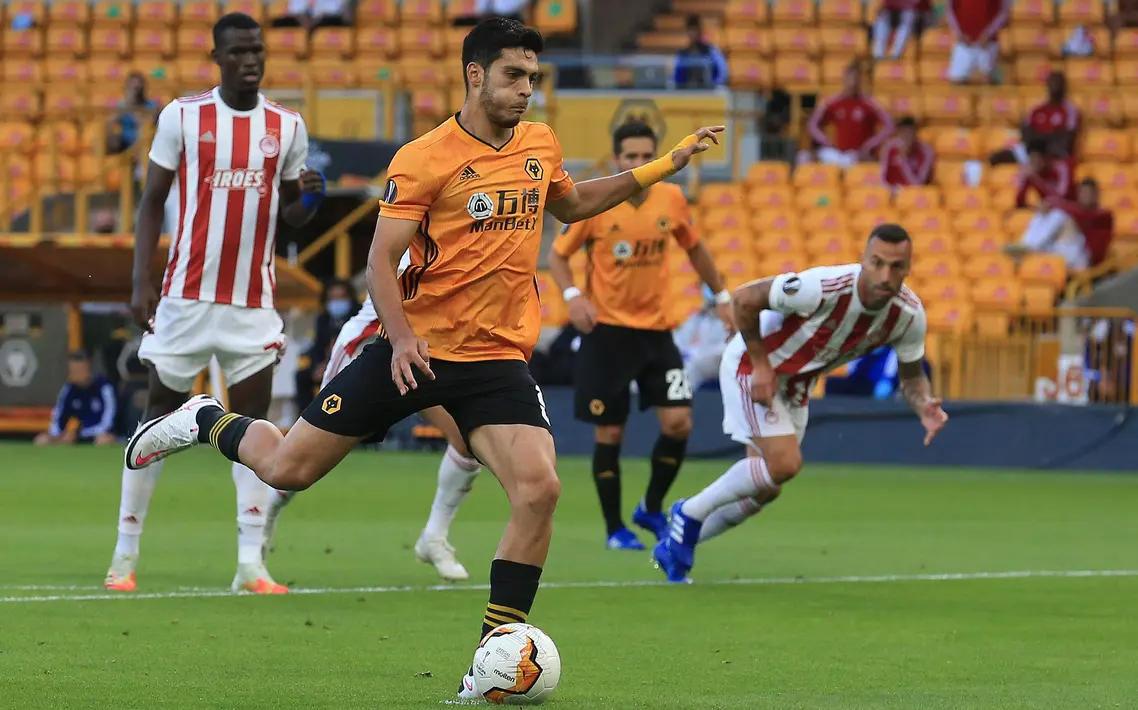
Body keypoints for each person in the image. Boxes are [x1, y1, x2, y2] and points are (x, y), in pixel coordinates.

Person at [120, 17, 720, 698]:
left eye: (533, 77)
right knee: (288, 468)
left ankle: (491, 662)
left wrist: (665, 163)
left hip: (495, 358)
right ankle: (203, 417)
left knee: (540, 489)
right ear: (475, 74)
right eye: (513, 75)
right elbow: (380, 258)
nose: (527, 90)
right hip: (415, 349)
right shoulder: (425, 156)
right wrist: (402, 338)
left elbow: (574, 203)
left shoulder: (539, 144)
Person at [107, 12, 325, 595]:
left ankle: (250, 563)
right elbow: (152, 200)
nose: (250, 60)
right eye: (238, 52)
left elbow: (287, 219)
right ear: (218, 57)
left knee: (255, 432)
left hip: (252, 302)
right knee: (156, 424)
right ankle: (124, 555)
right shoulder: (183, 116)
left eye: (257, 50)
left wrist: (309, 203)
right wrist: (138, 281)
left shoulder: (287, 125)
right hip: (183, 295)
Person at [653, 224, 948, 584]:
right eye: (878, 263)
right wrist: (762, 365)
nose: (886, 275)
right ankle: (688, 512)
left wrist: (924, 406)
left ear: (909, 267)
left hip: (795, 386)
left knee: (767, 488)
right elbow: (746, 299)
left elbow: (912, 375)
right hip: (753, 366)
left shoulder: (908, 315)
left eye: (897, 266)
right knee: (785, 463)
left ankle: (675, 544)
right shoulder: (823, 287)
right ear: (864, 260)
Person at [548, 120, 735, 550]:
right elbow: (558, 257)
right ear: (617, 160)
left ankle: (651, 506)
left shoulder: (671, 197)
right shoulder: (597, 203)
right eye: (629, 156)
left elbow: (695, 248)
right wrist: (574, 296)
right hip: (607, 335)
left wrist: (722, 294)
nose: (637, 163)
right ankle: (615, 529)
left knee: (679, 422)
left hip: (656, 333)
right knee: (609, 433)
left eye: (644, 155)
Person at [265, 251, 484, 583]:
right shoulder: (417, 231)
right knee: (302, 458)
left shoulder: (470, 231)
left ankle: (434, 538)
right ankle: (263, 521)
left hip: (430, 349)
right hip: (372, 345)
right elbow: (382, 285)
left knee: (468, 440)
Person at [802, 62, 893, 167]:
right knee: (804, 157)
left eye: (856, 79)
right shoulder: (834, 102)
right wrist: (825, 141)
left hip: (858, 155)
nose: (852, 82)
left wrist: (870, 145)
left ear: (860, 81)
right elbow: (812, 124)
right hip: (838, 154)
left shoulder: (869, 103)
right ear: (844, 80)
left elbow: (890, 125)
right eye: (850, 78)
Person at [1013, 178, 1114, 271]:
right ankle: (1026, 246)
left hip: (1085, 258)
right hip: (1066, 252)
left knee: (1059, 215)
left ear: (1097, 195)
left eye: (1089, 193)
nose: (1086, 196)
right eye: (1083, 192)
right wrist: (1048, 204)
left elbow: (1084, 216)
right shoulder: (1076, 210)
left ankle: (1029, 247)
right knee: (1046, 213)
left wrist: (1051, 203)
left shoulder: (1104, 215)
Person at [296, 278, 359, 412]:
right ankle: (305, 417)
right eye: (333, 298)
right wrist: (317, 366)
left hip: (353, 364)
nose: (337, 302)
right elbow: (318, 346)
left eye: (342, 297)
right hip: (328, 364)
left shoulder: (358, 318)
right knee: (302, 376)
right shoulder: (323, 320)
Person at [992, 72, 1081, 166]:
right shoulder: (1037, 108)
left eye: (1058, 83)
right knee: (996, 157)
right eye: (1052, 83)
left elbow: (1068, 137)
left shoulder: (1070, 110)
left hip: (1054, 152)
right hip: (1033, 150)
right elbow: (1025, 128)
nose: (1055, 87)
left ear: (1064, 87)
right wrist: (1036, 142)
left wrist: (1043, 139)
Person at [35, 351, 118, 446]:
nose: (74, 374)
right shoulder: (68, 389)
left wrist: (78, 434)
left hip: (98, 435)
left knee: (103, 441)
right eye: (72, 371)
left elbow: (107, 423)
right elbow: (58, 417)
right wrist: (56, 435)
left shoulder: (104, 388)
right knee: (42, 440)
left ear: (88, 369)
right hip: (74, 436)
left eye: (79, 370)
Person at [946, 0, 1010, 84]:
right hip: (964, 43)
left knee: (987, 80)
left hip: (987, 44)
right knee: (956, 80)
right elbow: (950, 11)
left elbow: (1003, 12)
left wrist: (988, 34)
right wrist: (960, 34)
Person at [106, 72, 158, 155]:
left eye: (138, 88)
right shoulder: (122, 105)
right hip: (125, 147)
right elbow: (110, 122)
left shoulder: (151, 105)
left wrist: (134, 110)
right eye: (133, 87)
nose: (136, 92)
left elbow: (149, 124)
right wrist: (128, 104)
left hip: (146, 146)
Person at [673, 14, 728, 89]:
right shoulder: (683, 53)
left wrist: (715, 85)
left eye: (694, 30)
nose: (692, 34)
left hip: (708, 92)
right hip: (687, 93)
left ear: (699, 31)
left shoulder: (710, 51)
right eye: (690, 30)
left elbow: (722, 70)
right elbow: (677, 76)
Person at [879, 117, 935, 188]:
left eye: (910, 133)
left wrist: (903, 160)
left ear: (915, 134)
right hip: (893, 191)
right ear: (899, 134)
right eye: (904, 133)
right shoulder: (890, 148)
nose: (907, 137)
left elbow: (918, 184)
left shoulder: (926, 151)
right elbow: (883, 179)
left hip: (913, 194)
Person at [1016, 141, 1074, 208]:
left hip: (1068, 208)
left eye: (1038, 158)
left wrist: (1036, 179)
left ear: (1046, 157)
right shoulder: (1031, 171)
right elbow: (1019, 202)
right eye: (1032, 159)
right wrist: (1024, 180)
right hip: (1046, 210)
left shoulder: (1061, 168)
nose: (1036, 163)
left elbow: (1061, 197)